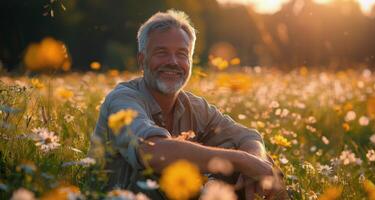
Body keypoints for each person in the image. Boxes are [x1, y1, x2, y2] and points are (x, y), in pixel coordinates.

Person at [89, 9, 288, 199]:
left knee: (263, 164)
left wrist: (255, 163)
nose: (173, 61)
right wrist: (243, 161)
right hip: (123, 195)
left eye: (182, 54)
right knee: (239, 162)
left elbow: (248, 136)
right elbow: (153, 153)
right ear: (142, 60)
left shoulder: (194, 105)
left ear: (191, 62)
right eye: (161, 52)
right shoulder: (123, 99)